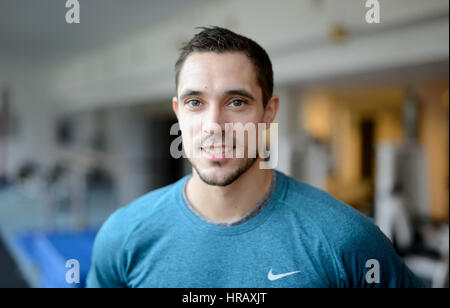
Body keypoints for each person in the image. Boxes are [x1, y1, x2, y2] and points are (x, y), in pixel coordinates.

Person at [86, 26, 424, 288]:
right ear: (178, 112)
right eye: (195, 103)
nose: (214, 126)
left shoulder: (346, 239)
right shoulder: (123, 235)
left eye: (236, 102)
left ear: (267, 112)